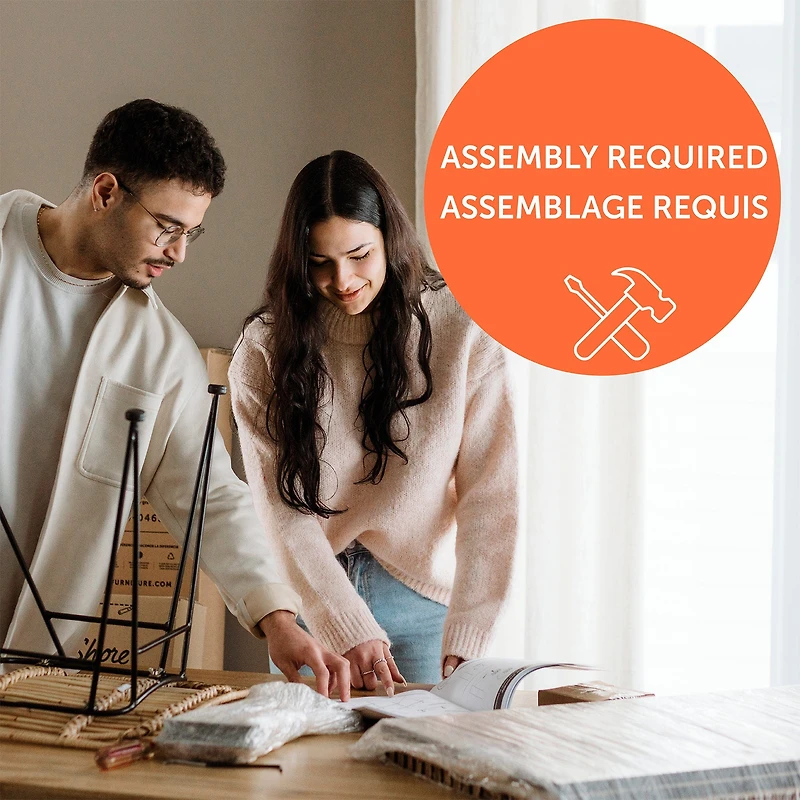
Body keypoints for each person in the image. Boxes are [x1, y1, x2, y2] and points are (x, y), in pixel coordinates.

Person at [0, 99, 350, 698]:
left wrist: (278, 620)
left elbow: (211, 495)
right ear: (106, 192)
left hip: (24, 668)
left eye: (191, 233)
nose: (179, 252)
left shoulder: (163, 356)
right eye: (166, 226)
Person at [229, 150, 518, 692]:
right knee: (307, 771)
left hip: (423, 605)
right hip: (311, 598)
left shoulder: (461, 329)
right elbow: (280, 509)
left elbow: (492, 493)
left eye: (360, 254)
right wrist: (343, 619)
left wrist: (471, 631)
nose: (343, 280)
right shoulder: (265, 349)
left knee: (423, 769)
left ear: (390, 237)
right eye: (320, 263)